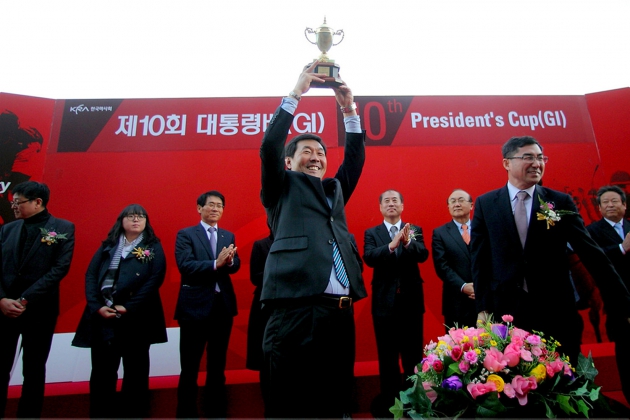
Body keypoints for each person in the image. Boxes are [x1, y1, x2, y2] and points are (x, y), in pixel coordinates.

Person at [259, 62, 367, 418]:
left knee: (335, 399)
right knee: (290, 400)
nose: (316, 157)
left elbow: (354, 159)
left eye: (321, 153)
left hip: (339, 312)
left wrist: (348, 109)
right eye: (307, 151)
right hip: (295, 309)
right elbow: (270, 145)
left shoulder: (334, 190)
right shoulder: (280, 189)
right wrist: (296, 94)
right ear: (289, 162)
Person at [471, 136, 630, 364]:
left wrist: (624, 302)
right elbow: (480, 260)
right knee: (517, 386)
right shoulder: (487, 204)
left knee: (564, 381)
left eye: (540, 158)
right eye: (528, 157)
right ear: (507, 163)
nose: (537, 164)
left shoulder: (559, 202)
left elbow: (591, 254)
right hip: (507, 313)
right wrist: (483, 308)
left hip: (557, 311)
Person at [72, 204, 167, 418]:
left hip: (137, 319)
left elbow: (155, 279)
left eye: (141, 216)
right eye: (131, 216)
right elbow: (91, 276)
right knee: (102, 375)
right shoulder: (109, 246)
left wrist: (129, 307)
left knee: (136, 374)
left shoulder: (153, 246)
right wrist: (97, 307)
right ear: (121, 220)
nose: (136, 220)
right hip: (104, 319)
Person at [0, 181, 74, 418]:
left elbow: (59, 269)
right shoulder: (7, 229)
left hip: (40, 310)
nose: (13, 207)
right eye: (12, 202)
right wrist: (2, 299)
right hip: (4, 310)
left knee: (33, 370)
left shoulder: (63, 228)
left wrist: (24, 299)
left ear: (37, 202)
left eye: (18, 202)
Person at [174, 190, 240, 418]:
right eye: (211, 205)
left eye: (220, 206)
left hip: (222, 307)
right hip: (194, 308)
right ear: (199, 208)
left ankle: (215, 411)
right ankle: (186, 413)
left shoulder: (228, 236)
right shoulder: (186, 235)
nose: (215, 209)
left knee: (217, 364)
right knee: (190, 366)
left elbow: (235, 264)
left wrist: (230, 262)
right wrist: (215, 264)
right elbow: (186, 266)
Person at [363, 189, 429, 417]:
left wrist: (408, 242)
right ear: (380, 207)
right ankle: (391, 406)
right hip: (384, 306)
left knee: (413, 358)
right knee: (387, 358)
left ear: (402, 206)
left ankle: (415, 404)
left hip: (411, 304)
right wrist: (391, 246)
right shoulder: (371, 232)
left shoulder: (415, 230)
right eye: (386, 202)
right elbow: (369, 257)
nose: (391, 205)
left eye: (395, 201)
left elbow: (422, 255)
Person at [587, 185, 630, 403]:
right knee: (626, 352)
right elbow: (593, 259)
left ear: (624, 204)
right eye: (605, 202)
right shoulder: (592, 231)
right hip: (617, 304)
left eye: (615, 201)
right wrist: (621, 248)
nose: (610, 205)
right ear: (600, 208)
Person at [432, 189, 477, 331]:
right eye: (453, 201)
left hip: (482, 299)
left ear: (471, 205)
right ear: (448, 207)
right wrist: (464, 286)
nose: (456, 204)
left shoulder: (483, 228)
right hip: (456, 302)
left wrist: (481, 287)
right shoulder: (440, 233)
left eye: (461, 200)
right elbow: (442, 266)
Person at [246, 231, 273, 416]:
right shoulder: (260, 245)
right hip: (265, 307)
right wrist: (277, 267)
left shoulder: (299, 242)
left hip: (293, 307)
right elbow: (255, 277)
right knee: (266, 360)